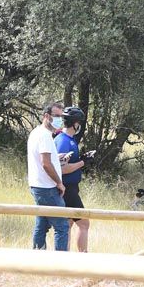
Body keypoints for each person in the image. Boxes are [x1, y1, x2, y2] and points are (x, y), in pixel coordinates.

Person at [27, 101, 70, 251]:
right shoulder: (45, 136)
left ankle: (37, 258)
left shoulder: (36, 132)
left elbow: (44, 160)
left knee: (42, 224)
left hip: (37, 185)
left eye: (61, 117)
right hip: (47, 187)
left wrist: (57, 159)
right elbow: (45, 163)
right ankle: (59, 265)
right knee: (62, 227)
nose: (60, 120)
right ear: (46, 116)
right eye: (56, 116)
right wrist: (59, 182)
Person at [54, 106, 92, 253]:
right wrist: (83, 162)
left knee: (68, 223)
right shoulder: (64, 141)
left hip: (71, 187)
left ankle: (66, 256)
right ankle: (82, 258)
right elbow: (62, 169)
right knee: (84, 224)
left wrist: (82, 158)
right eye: (79, 123)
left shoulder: (68, 139)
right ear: (75, 123)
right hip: (68, 188)